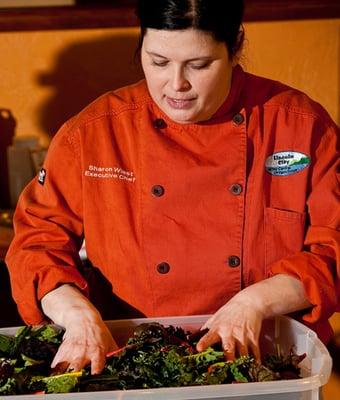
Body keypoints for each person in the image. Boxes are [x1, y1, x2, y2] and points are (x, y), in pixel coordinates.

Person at [5, 0, 339, 376]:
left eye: (199, 65)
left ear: (235, 48)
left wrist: (256, 302)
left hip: (263, 360)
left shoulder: (300, 126)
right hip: (129, 366)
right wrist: (77, 315)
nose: (176, 84)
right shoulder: (95, 133)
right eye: (158, 62)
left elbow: (335, 245)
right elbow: (37, 241)